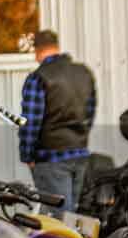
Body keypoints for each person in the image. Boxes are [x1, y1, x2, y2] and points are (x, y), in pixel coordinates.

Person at [17, 29, 96, 212]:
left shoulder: (38, 78)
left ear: (37, 51)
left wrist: (27, 155)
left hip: (50, 157)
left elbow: (31, 122)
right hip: (79, 153)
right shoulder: (84, 73)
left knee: (57, 217)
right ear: (56, 47)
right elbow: (89, 113)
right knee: (73, 215)